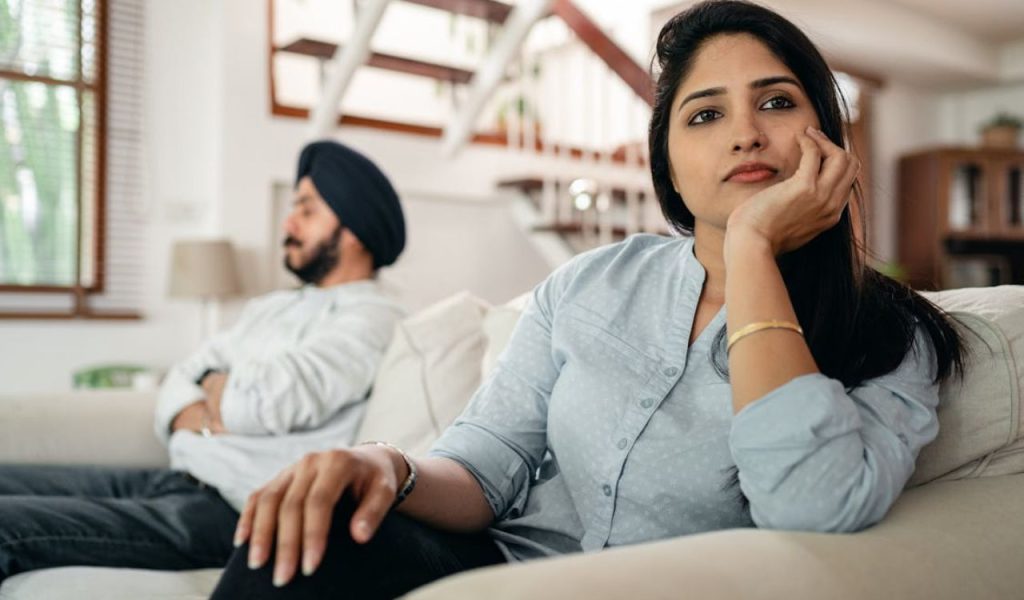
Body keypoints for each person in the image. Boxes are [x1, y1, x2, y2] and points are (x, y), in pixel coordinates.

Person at [212, 2, 967, 598]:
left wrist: (751, 247)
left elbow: (810, 505)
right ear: (669, 164)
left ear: (826, 137)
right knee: (299, 542)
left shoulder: (891, 334)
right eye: (705, 114)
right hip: (496, 568)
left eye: (775, 101)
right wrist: (383, 465)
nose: (744, 134)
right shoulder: (588, 283)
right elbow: (489, 463)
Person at [0, 140, 407, 584]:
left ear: (354, 229)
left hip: (233, 510)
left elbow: (259, 404)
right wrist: (218, 403)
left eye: (306, 211)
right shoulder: (271, 307)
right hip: (176, 478)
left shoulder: (373, 317)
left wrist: (213, 392)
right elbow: (180, 379)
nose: (288, 223)